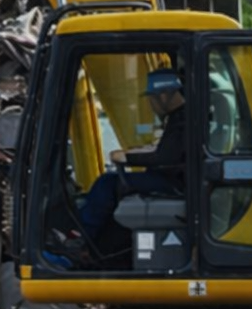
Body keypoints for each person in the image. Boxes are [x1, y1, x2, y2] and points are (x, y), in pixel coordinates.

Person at [75, 67, 187, 256]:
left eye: (152, 98)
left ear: (165, 95)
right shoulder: (180, 117)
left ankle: (81, 239)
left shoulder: (183, 119)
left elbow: (165, 157)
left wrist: (127, 157)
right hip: (175, 178)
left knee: (107, 183)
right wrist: (143, 151)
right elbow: (169, 150)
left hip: (174, 183)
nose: (151, 104)